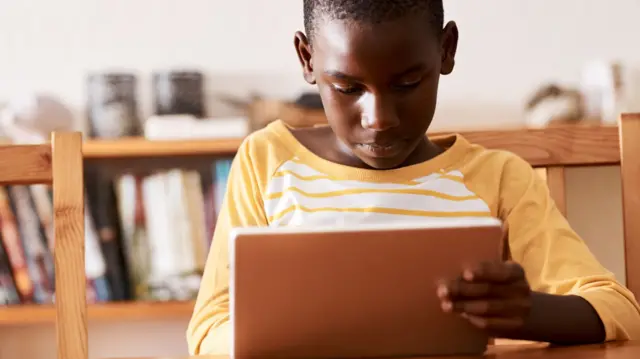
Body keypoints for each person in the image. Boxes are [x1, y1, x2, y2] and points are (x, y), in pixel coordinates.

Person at [187, 0, 640, 355]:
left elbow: (620, 310)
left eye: (406, 84)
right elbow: (209, 331)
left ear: (446, 51)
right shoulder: (267, 161)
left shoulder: (498, 179)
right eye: (347, 88)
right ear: (307, 58)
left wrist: (531, 313)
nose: (379, 119)